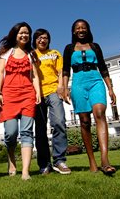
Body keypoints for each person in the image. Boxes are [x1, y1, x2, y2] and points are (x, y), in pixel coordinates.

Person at [62, 19, 116, 174]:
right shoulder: (69, 48)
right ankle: (92, 161)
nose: (81, 30)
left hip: (96, 80)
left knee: (100, 113)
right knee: (85, 121)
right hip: (78, 83)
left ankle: (105, 161)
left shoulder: (95, 46)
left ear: (88, 30)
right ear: (73, 31)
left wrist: (110, 89)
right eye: (78, 28)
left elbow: (103, 68)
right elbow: (66, 70)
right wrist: (65, 88)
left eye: (83, 27)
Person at [0, 22, 41, 180]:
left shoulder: (31, 54)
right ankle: (11, 158)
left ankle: (26, 171)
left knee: (27, 132)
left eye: (27, 33)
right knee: (11, 133)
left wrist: (38, 93)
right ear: (15, 34)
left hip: (28, 94)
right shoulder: (6, 53)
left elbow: (34, 75)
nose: (24, 35)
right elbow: (0, 72)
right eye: (21, 32)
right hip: (9, 95)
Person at [32, 28, 71, 175]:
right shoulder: (31, 54)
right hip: (37, 94)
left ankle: (59, 160)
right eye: (39, 38)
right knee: (40, 129)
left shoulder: (54, 53)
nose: (42, 40)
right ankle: (44, 164)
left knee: (59, 122)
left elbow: (61, 71)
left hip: (54, 91)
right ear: (35, 40)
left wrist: (61, 86)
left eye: (45, 38)